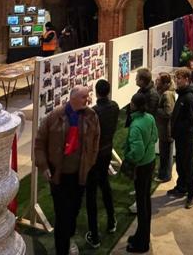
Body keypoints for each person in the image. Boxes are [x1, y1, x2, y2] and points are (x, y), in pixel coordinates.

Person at [35, 86, 100, 255]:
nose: (88, 99)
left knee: (74, 210)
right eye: (85, 96)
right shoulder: (55, 116)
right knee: (62, 215)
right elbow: (40, 143)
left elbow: (95, 141)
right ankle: (62, 249)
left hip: (79, 175)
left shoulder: (91, 116)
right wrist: (43, 166)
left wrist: (90, 162)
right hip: (59, 176)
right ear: (74, 98)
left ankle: (68, 237)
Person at [84, 80, 119, 249]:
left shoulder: (94, 112)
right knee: (105, 185)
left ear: (96, 93)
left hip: (95, 156)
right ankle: (111, 221)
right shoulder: (114, 106)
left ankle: (94, 235)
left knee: (91, 194)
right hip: (106, 151)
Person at [123, 92, 158, 254]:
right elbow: (155, 137)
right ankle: (141, 235)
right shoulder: (150, 118)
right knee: (145, 201)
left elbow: (136, 152)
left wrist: (128, 157)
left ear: (134, 105)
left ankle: (142, 243)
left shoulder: (136, 125)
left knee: (142, 204)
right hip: (150, 162)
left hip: (142, 166)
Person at [168, 68, 193, 209]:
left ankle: (191, 193)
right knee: (180, 162)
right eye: (176, 78)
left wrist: (179, 129)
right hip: (180, 137)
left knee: (189, 164)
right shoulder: (182, 94)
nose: (176, 80)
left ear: (187, 79)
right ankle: (181, 187)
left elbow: (191, 120)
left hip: (187, 138)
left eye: (179, 78)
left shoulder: (189, 97)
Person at [155, 72, 176, 182]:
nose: (156, 82)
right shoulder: (164, 92)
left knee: (166, 154)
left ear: (164, 83)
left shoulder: (167, 94)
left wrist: (156, 109)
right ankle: (162, 172)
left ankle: (165, 175)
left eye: (158, 80)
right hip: (164, 128)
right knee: (164, 153)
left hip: (167, 130)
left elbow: (168, 112)